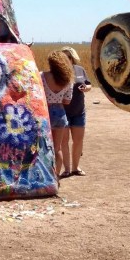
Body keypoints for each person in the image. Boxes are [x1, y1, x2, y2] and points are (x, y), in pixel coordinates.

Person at [61, 46, 93, 177]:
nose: (66, 58)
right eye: (63, 56)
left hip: (79, 111)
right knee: (64, 141)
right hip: (63, 111)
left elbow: (89, 84)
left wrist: (86, 88)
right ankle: (67, 169)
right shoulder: (59, 71)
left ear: (73, 57)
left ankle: (75, 167)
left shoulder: (80, 70)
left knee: (78, 141)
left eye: (68, 56)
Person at [43, 49, 74, 178]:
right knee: (57, 148)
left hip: (45, 113)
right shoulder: (68, 80)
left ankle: (45, 177)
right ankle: (56, 177)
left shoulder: (42, 76)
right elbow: (67, 101)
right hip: (60, 114)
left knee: (44, 148)